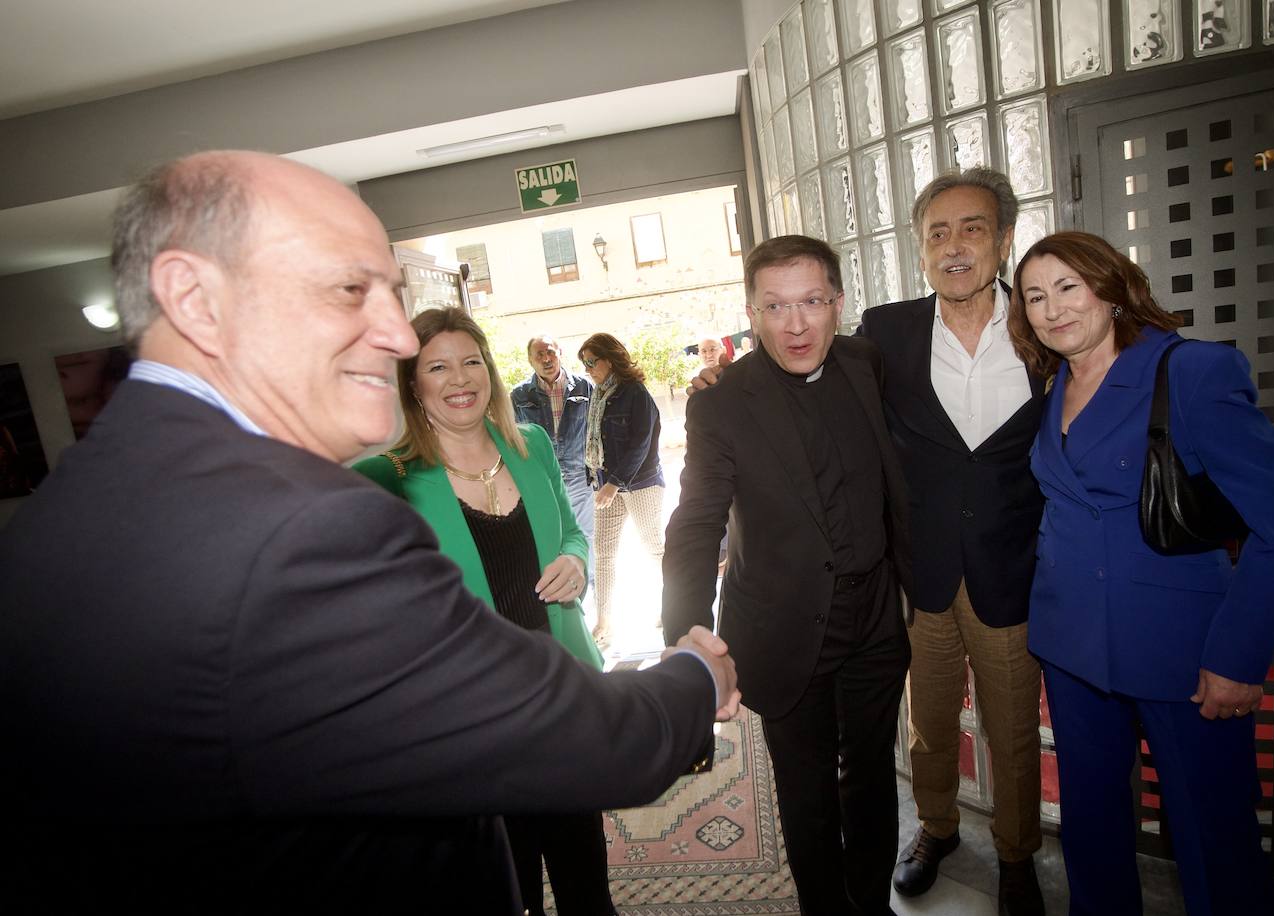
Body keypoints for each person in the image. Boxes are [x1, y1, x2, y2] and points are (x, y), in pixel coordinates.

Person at [0, 150, 739, 914]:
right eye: (351, 289)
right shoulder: (311, 525)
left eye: (389, 293)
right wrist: (693, 676)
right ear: (194, 298)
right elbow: (563, 735)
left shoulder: (67, 507)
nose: (394, 335)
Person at [1009, 231, 1274, 916]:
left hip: (1183, 651)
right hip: (1072, 648)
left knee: (1214, 836)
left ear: (1111, 289)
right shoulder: (1053, 385)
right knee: (1091, 827)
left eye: (1067, 288)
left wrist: (1238, 658)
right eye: (1033, 297)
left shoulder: (1191, 372)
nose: (1051, 310)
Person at [663, 235, 915, 915]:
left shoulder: (866, 364)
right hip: (781, 626)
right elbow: (696, 521)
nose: (796, 324)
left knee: (872, 780)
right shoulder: (721, 402)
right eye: (776, 306)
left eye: (811, 302)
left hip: (872, 624)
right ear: (751, 312)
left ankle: (873, 902)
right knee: (806, 795)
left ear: (838, 303)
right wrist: (688, 629)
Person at [355, 309, 615, 916]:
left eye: (471, 361)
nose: (459, 378)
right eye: (436, 367)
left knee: (586, 882)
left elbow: (573, 532)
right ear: (412, 384)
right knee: (505, 886)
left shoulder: (534, 447)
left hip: (560, 697)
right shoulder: (386, 479)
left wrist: (577, 562)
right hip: (473, 723)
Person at [857, 168, 1047, 914]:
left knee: (1013, 732)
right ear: (921, 249)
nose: (954, 246)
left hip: (1011, 571)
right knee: (930, 725)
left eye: (972, 228)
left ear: (1003, 241)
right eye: (937, 232)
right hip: (924, 574)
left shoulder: (1042, 329)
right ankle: (935, 828)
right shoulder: (887, 332)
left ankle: (1017, 853)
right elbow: (831, 401)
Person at [579, 332, 665, 647]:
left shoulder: (635, 393)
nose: (588, 369)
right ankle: (604, 620)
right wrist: (600, 480)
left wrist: (615, 483)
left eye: (592, 362)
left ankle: (672, 606)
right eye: (584, 363)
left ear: (611, 359)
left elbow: (641, 444)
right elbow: (593, 443)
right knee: (603, 554)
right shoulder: (599, 394)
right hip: (607, 485)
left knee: (654, 548)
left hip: (640, 484)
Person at [511, 334, 597, 583]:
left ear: (560, 353)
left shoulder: (584, 386)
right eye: (539, 354)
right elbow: (513, 437)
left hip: (580, 475)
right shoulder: (519, 395)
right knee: (548, 534)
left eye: (550, 352)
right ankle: (556, 583)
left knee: (585, 535)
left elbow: (597, 430)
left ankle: (587, 586)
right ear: (530, 360)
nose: (546, 359)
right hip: (542, 478)